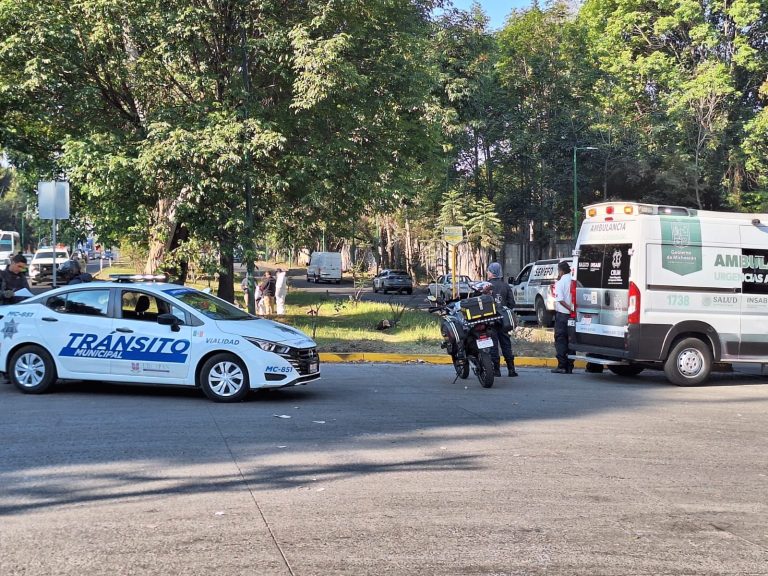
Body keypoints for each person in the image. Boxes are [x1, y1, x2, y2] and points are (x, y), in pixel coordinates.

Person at [486, 262, 518, 377]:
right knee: (506, 343)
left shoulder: (486, 286)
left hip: (490, 319)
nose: (487, 273)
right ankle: (511, 369)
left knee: (493, 345)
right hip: (504, 320)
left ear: (492, 273)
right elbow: (512, 303)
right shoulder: (506, 286)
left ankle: (496, 370)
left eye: (488, 271)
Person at [552, 260, 574, 374]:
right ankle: (570, 366)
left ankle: (561, 365)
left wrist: (569, 308)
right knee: (571, 340)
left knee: (560, 339)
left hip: (562, 315)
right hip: (573, 316)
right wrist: (573, 310)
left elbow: (560, 300)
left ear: (561, 271)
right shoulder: (574, 280)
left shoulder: (560, 282)